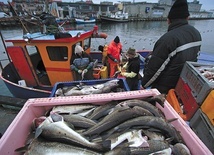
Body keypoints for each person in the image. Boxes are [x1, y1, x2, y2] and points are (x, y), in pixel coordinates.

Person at [141, 0, 202, 94]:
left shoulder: (168, 39)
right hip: (182, 84)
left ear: (168, 20)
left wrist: (143, 85)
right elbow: (195, 58)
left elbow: (155, 68)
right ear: (187, 18)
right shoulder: (196, 33)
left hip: (165, 88)